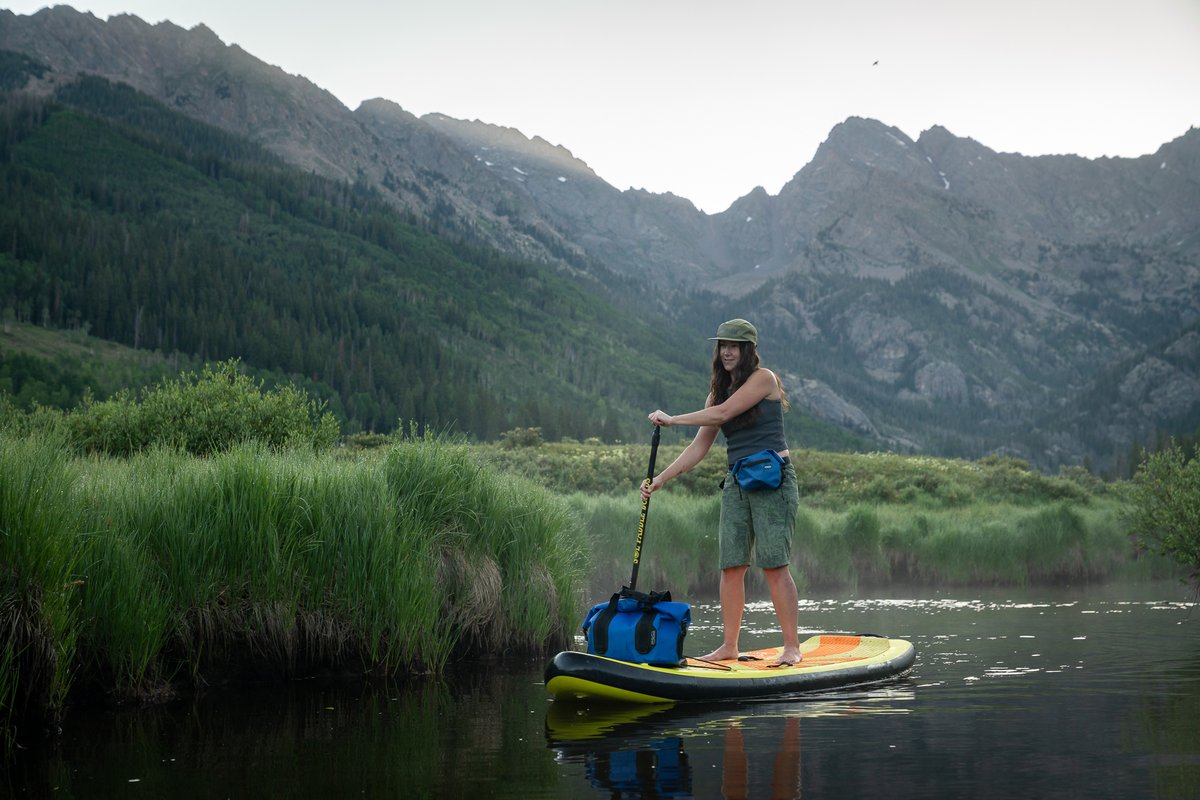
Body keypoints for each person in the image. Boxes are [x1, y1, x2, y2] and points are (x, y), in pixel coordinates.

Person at [642, 318, 802, 665]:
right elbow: (700, 446)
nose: (727, 351)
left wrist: (672, 420)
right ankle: (729, 646)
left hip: (773, 479)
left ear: (748, 351)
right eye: (723, 346)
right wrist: (661, 480)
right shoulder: (716, 390)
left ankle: (792, 647)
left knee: (774, 565)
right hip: (737, 482)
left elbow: (725, 413)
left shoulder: (764, 379)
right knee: (731, 566)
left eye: (735, 346)